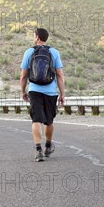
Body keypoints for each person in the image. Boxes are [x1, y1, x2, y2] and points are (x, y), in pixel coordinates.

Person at [20, 27, 65, 162]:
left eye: (34, 36)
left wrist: (23, 91)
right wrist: (62, 94)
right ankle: (48, 146)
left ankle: (38, 150)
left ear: (37, 37)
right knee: (49, 121)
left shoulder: (29, 52)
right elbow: (59, 75)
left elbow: (23, 75)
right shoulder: (54, 52)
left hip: (34, 90)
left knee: (36, 120)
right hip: (50, 92)